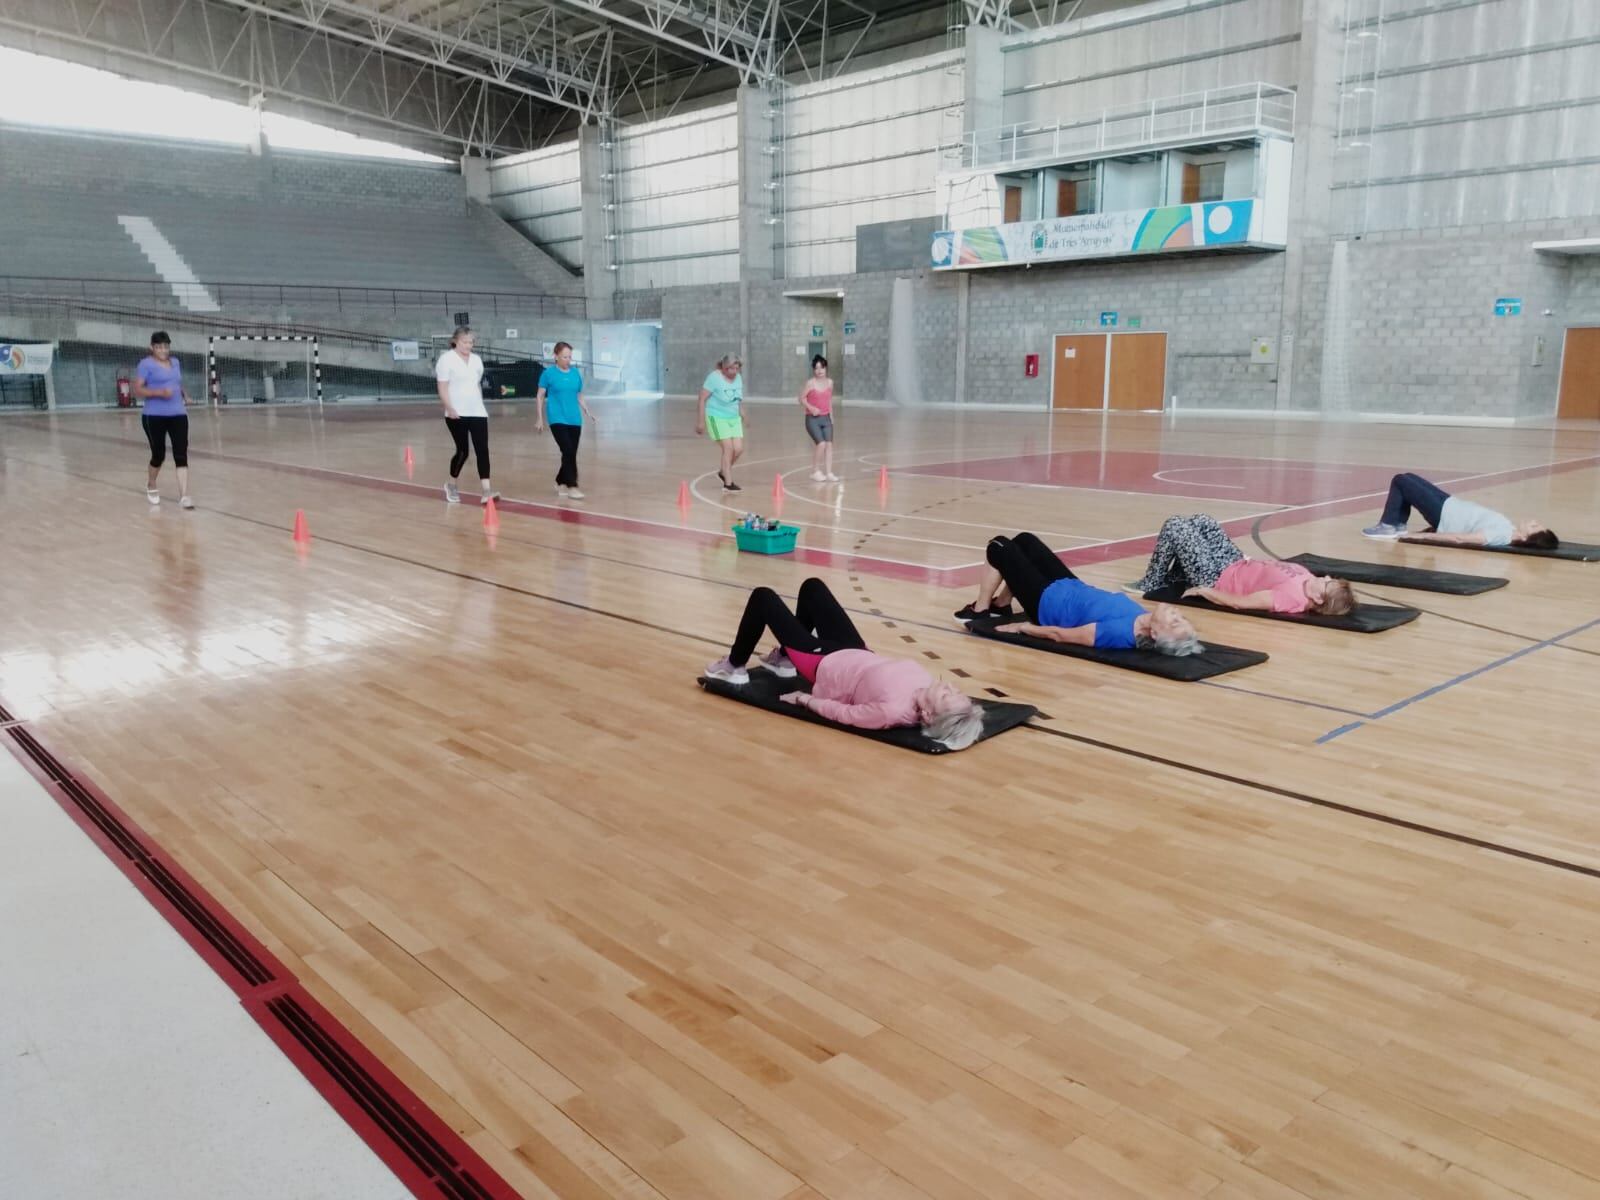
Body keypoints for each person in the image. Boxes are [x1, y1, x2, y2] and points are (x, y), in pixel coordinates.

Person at [705, 579, 985, 750]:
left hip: (822, 663)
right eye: (954, 688)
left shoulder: (890, 712)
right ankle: (784, 658)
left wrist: (803, 698)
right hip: (854, 651)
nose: (947, 685)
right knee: (813, 588)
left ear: (928, 716)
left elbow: (841, 713)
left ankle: (733, 666)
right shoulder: (925, 686)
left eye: (947, 695)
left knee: (763, 597)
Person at [967, 533, 1204, 655]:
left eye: (1174, 621)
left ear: (1154, 633)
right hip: (1070, 586)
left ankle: (980, 611)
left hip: (1046, 604)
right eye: (1181, 618)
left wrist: (1022, 627)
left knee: (998, 547)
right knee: (1025, 541)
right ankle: (1002, 604)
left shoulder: (1117, 633)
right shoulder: (1144, 617)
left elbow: (1061, 635)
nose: (1177, 614)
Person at [1135, 514, 1355, 616]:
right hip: (1235, 561)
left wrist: (1205, 590)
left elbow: (1240, 602)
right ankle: (1174, 576)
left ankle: (1151, 581)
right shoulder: (1307, 579)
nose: (1326, 577)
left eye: (1328, 584)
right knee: (1203, 521)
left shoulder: (1290, 599)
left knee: (1176, 526)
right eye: (1329, 578)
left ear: (1318, 599)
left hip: (1216, 577)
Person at [1363, 472, 1558, 548]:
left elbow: (1459, 538)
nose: (1532, 521)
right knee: (1407, 478)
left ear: (1525, 538)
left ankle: (1389, 525)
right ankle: (1396, 523)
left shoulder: (1501, 535)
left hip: (1443, 514)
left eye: (1533, 526)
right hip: (1449, 503)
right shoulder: (1509, 528)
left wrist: (1419, 536)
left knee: (1401, 481)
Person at [435, 326, 499, 505]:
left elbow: (476, 385)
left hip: (477, 411)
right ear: (455, 341)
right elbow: (442, 387)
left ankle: (486, 490)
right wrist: (450, 408)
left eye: (471, 342)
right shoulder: (446, 360)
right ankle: (451, 484)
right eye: (464, 342)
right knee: (463, 451)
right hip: (456, 412)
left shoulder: (477, 360)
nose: (468, 345)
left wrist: (480, 405)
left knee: (482, 449)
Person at [134, 331, 193, 508]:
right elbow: (137, 389)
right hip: (154, 416)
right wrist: (159, 393)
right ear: (152, 347)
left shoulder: (175, 362)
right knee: (158, 455)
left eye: (166, 346)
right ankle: (151, 483)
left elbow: (176, 383)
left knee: (181, 454)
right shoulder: (146, 364)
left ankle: (184, 496)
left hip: (178, 414)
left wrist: (185, 394)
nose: (163, 350)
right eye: (159, 347)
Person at [535, 341, 592, 500]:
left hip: (574, 419)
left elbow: (579, 394)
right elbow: (540, 396)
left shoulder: (575, 374)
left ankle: (560, 480)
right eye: (564, 357)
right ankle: (572, 486)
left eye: (569, 357)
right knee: (567, 450)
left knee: (570, 453)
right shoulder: (548, 374)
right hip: (557, 418)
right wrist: (540, 418)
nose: (568, 360)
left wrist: (586, 409)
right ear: (556, 356)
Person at [697, 353, 746, 492]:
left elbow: (737, 399)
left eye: (737, 369)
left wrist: (742, 412)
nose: (734, 372)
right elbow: (702, 399)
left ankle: (723, 471)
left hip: (733, 418)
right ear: (724, 368)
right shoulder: (714, 378)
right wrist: (701, 421)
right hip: (716, 417)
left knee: (738, 449)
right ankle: (728, 484)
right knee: (728, 448)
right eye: (731, 369)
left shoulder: (738, 379)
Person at [798, 355, 838, 482]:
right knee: (821, 444)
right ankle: (815, 471)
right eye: (816, 368)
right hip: (812, 419)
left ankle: (829, 472)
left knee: (829, 445)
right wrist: (811, 408)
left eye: (822, 368)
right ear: (813, 370)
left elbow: (829, 399)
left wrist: (831, 415)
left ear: (826, 368)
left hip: (826, 418)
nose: (819, 371)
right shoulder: (810, 383)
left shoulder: (830, 383)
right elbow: (801, 399)